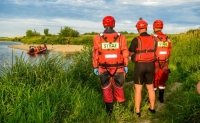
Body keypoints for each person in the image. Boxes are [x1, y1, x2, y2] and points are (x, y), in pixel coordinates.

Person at [92, 15, 129, 115]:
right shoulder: (121, 37)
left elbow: (95, 53)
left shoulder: (98, 37)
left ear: (103, 24)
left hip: (103, 68)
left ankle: (109, 113)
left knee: (106, 88)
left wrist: (95, 66)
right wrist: (126, 64)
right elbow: (125, 51)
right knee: (119, 88)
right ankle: (121, 112)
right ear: (114, 24)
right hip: (119, 67)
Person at [128, 18, 156, 117]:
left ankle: (138, 111)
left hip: (140, 66)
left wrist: (132, 57)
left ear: (137, 28)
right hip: (151, 65)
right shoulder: (153, 39)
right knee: (151, 88)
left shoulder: (136, 39)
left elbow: (130, 52)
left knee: (138, 89)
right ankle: (152, 108)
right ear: (146, 27)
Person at [153, 20, 172, 103]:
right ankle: (161, 98)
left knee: (154, 80)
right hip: (165, 62)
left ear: (154, 27)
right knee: (162, 80)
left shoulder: (153, 38)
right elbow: (170, 50)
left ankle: (152, 98)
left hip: (155, 62)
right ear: (162, 27)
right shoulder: (167, 38)